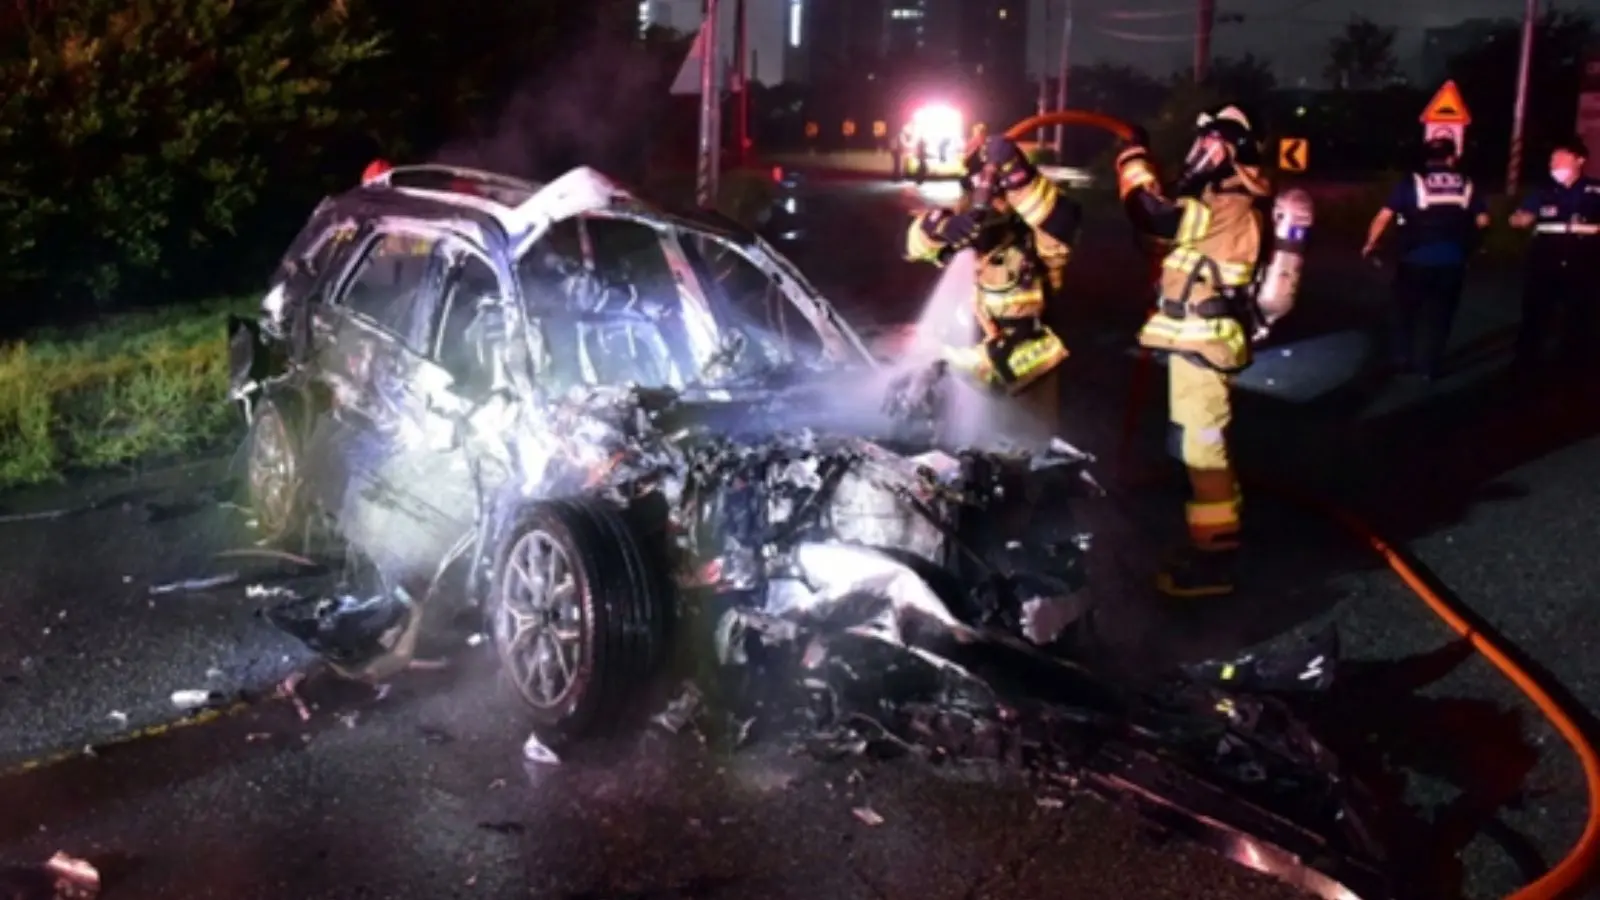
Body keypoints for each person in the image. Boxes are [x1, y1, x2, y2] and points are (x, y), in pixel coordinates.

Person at [1113, 105, 1273, 598]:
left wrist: (1133, 159)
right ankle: (1214, 536)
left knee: (1203, 447)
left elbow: (1150, 212)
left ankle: (1215, 560)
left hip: (1204, 340)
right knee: (1197, 443)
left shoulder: (1225, 200)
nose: (1196, 153)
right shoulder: (1220, 196)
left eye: (1206, 145)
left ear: (1227, 150)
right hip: (1197, 340)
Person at [900, 134, 1082, 447]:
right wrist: (939, 227)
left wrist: (1019, 175)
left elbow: (1063, 220)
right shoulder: (963, 229)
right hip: (965, 373)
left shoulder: (1035, 238)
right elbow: (912, 245)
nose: (986, 206)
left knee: (1019, 462)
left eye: (997, 194)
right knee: (961, 465)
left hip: (1024, 375)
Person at [1360, 137, 1489, 381]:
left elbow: (1383, 217)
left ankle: (1402, 358)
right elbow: (1483, 221)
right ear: (1452, 157)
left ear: (1427, 157)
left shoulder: (1413, 182)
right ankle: (1429, 366)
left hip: (1414, 260)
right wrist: (1474, 247)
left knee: (1404, 311)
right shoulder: (1468, 184)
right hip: (1453, 261)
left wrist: (1371, 243)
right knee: (1440, 315)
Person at [1508, 137, 1600, 371]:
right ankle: (1526, 361)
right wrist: (1519, 219)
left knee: (1580, 312)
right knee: (1536, 310)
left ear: (1580, 160)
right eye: (1552, 159)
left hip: (1584, 259)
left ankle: (1574, 361)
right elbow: (1522, 215)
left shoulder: (1595, 190)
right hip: (1545, 258)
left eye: (1560, 158)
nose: (1554, 163)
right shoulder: (1543, 191)